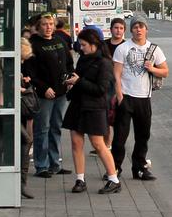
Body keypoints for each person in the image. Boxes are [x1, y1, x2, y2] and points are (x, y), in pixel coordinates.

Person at [63, 29, 122, 194]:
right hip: (78, 105)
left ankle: (113, 179)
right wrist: (72, 82)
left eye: (84, 45)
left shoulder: (104, 63)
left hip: (94, 107)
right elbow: (79, 78)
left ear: (94, 44)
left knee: (98, 144)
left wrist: (79, 81)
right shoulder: (83, 58)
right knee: (76, 142)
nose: (81, 48)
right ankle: (80, 179)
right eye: (80, 45)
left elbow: (101, 89)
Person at [112, 15, 168, 180]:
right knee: (120, 137)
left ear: (146, 29)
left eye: (141, 26)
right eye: (135, 27)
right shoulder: (123, 48)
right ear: (131, 30)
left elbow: (165, 71)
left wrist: (153, 69)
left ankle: (139, 168)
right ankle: (115, 167)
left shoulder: (154, 49)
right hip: (126, 97)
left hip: (144, 98)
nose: (138, 29)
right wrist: (119, 95)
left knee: (143, 136)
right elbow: (116, 73)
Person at [29, 13, 75, 177]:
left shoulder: (59, 41)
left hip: (61, 93)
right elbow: (29, 73)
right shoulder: (33, 44)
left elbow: (69, 63)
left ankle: (55, 163)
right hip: (44, 95)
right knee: (42, 129)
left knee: (55, 128)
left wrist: (70, 77)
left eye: (50, 24)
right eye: (44, 24)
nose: (48, 27)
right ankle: (42, 165)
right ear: (38, 26)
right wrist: (43, 88)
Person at [90, 17, 126, 155]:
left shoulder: (126, 46)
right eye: (116, 28)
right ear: (111, 29)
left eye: (121, 28)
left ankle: (117, 145)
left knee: (119, 117)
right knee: (105, 116)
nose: (118, 31)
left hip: (122, 85)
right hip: (105, 84)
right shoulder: (103, 45)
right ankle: (106, 145)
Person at [20, 37, 38, 199]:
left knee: (24, 141)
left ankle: (21, 183)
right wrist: (22, 87)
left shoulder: (17, 64)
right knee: (26, 140)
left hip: (16, 109)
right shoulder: (6, 62)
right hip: (7, 108)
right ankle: (20, 183)